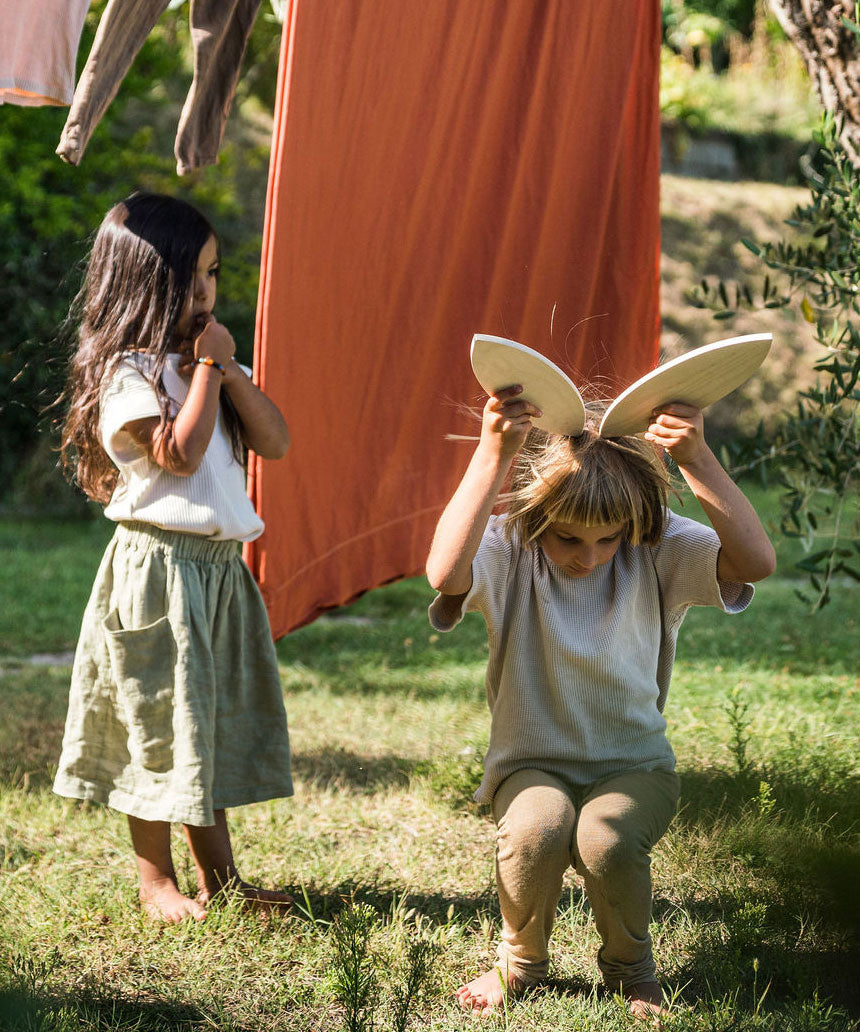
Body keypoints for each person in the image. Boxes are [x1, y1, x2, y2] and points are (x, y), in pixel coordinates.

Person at [426, 383, 775, 1019]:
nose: (590, 557)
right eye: (569, 540)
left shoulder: (655, 544)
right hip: (532, 761)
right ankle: (520, 961)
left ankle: (631, 969)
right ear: (537, 520)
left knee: (606, 841)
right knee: (537, 830)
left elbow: (753, 561)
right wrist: (491, 453)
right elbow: (446, 573)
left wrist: (697, 458)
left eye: (606, 539)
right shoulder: (512, 548)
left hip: (633, 765)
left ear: (630, 527)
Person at [54, 192, 294, 923]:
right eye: (189, 281)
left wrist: (231, 374)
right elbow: (181, 458)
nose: (206, 295)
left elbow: (276, 443)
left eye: (213, 276)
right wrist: (211, 375)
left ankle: (223, 882)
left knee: (205, 728)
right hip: (157, 574)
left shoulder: (209, 369)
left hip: (219, 578)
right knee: (157, 724)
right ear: (142, 287)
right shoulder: (132, 376)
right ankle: (155, 880)